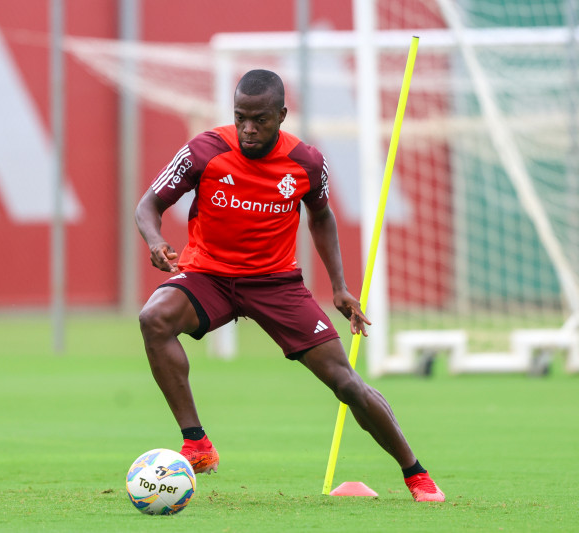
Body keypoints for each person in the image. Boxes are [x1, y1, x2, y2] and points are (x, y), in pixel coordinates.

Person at [135, 69, 445, 502]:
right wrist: (155, 241)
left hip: (276, 283)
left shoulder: (306, 162)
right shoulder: (204, 151)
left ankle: (417, 475)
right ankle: (197, 443)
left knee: (346, 383)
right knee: (154, 318)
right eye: (241, 116)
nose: (248, 127)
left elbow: (322, 216)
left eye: (259, 119)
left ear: (281, 115)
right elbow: (149, 204)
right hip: (209, 274)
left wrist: (339, 287)